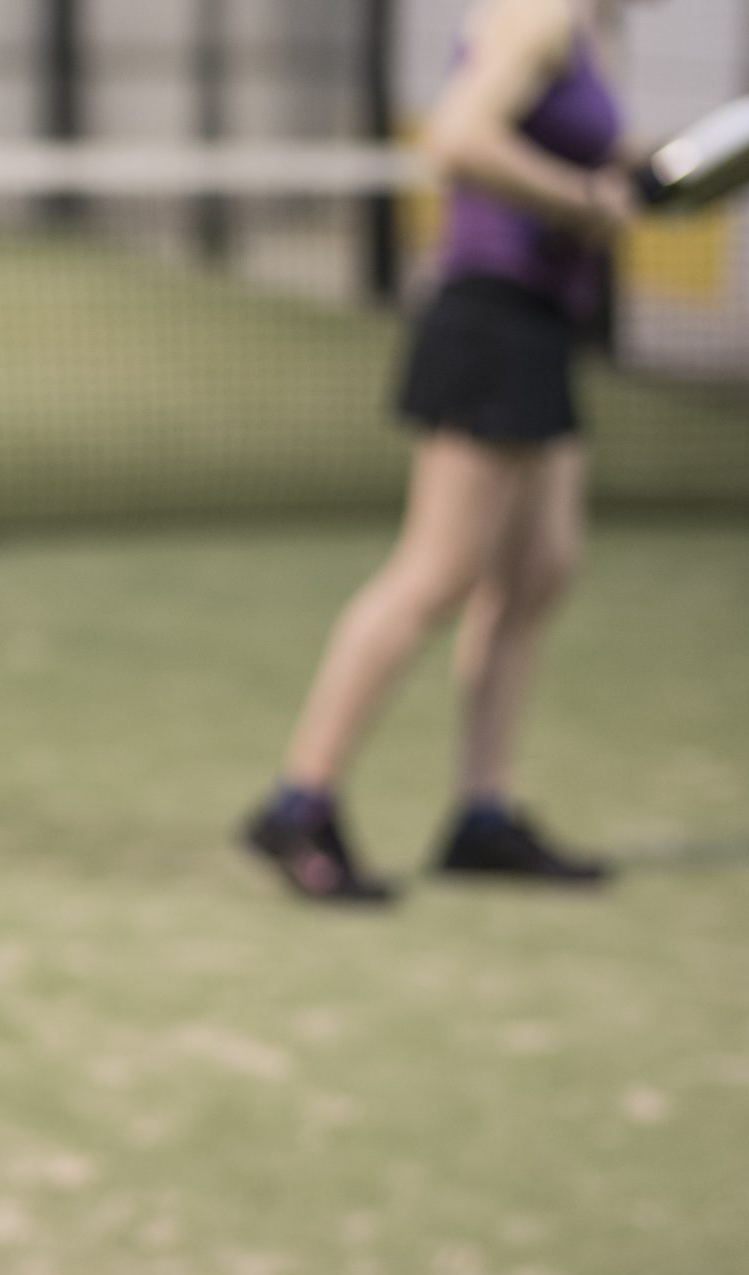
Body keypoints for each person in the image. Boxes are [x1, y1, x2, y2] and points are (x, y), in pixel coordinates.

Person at [243, 0, 643, 903]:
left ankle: (482, 817)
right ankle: (299, 802)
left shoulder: (587, 30)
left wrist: (642, 178)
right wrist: (587, 202)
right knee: (434, 576)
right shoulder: (540, 16)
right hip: (489, 321)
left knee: (538, 571)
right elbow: (458, 139)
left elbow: (584, 153)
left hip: (542, 323)